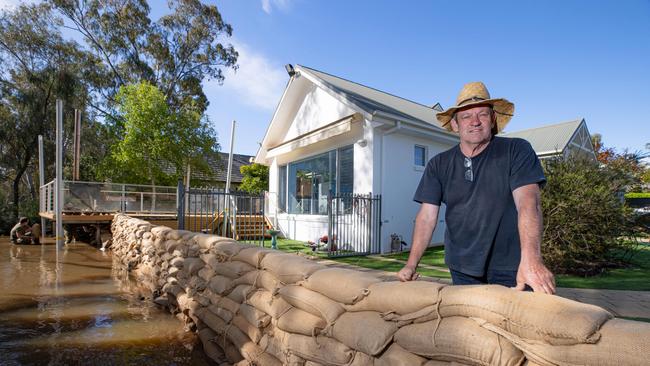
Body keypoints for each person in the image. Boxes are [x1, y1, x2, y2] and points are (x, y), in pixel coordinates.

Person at [397, 82, 555, 294]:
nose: (475, 122)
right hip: (462, 267)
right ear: (455, 124)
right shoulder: (438, 164)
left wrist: (532, 260)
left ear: (492, 120)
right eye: (466, 116)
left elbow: (528, 203)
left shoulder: (516, 151)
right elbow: (426, 217)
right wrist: (411, 264)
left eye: (482, 115)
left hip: (511, 266)